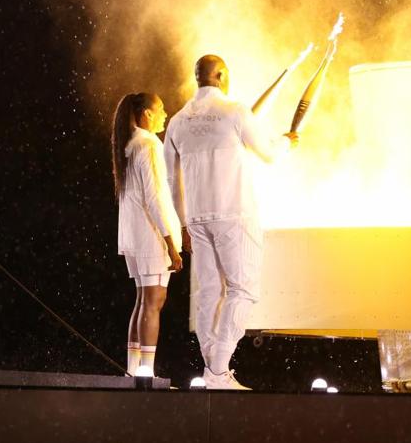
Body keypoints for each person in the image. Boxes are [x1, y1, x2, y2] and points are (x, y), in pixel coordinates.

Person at [165, 55, 298, 390]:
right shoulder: (235, 112)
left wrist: (182, 226)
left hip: (197, 218)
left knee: (211, 292)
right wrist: (287, 141)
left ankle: (215, 372)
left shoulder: (179, 122)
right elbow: (268, 154)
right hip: (235, 214)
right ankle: (219, 369)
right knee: (242, 289)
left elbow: (170, 180)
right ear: (221, 75)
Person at [112, 92, 183, 378]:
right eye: (162, 109)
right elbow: (155, 198)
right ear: (147, 114)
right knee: (153, 303)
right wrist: (171, 243)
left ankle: (134, 371)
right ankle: (146, 373)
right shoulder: (149, 144)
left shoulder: (128, 145)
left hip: (133, 237)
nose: (166, 114)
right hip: (150, 236)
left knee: (143, 301)